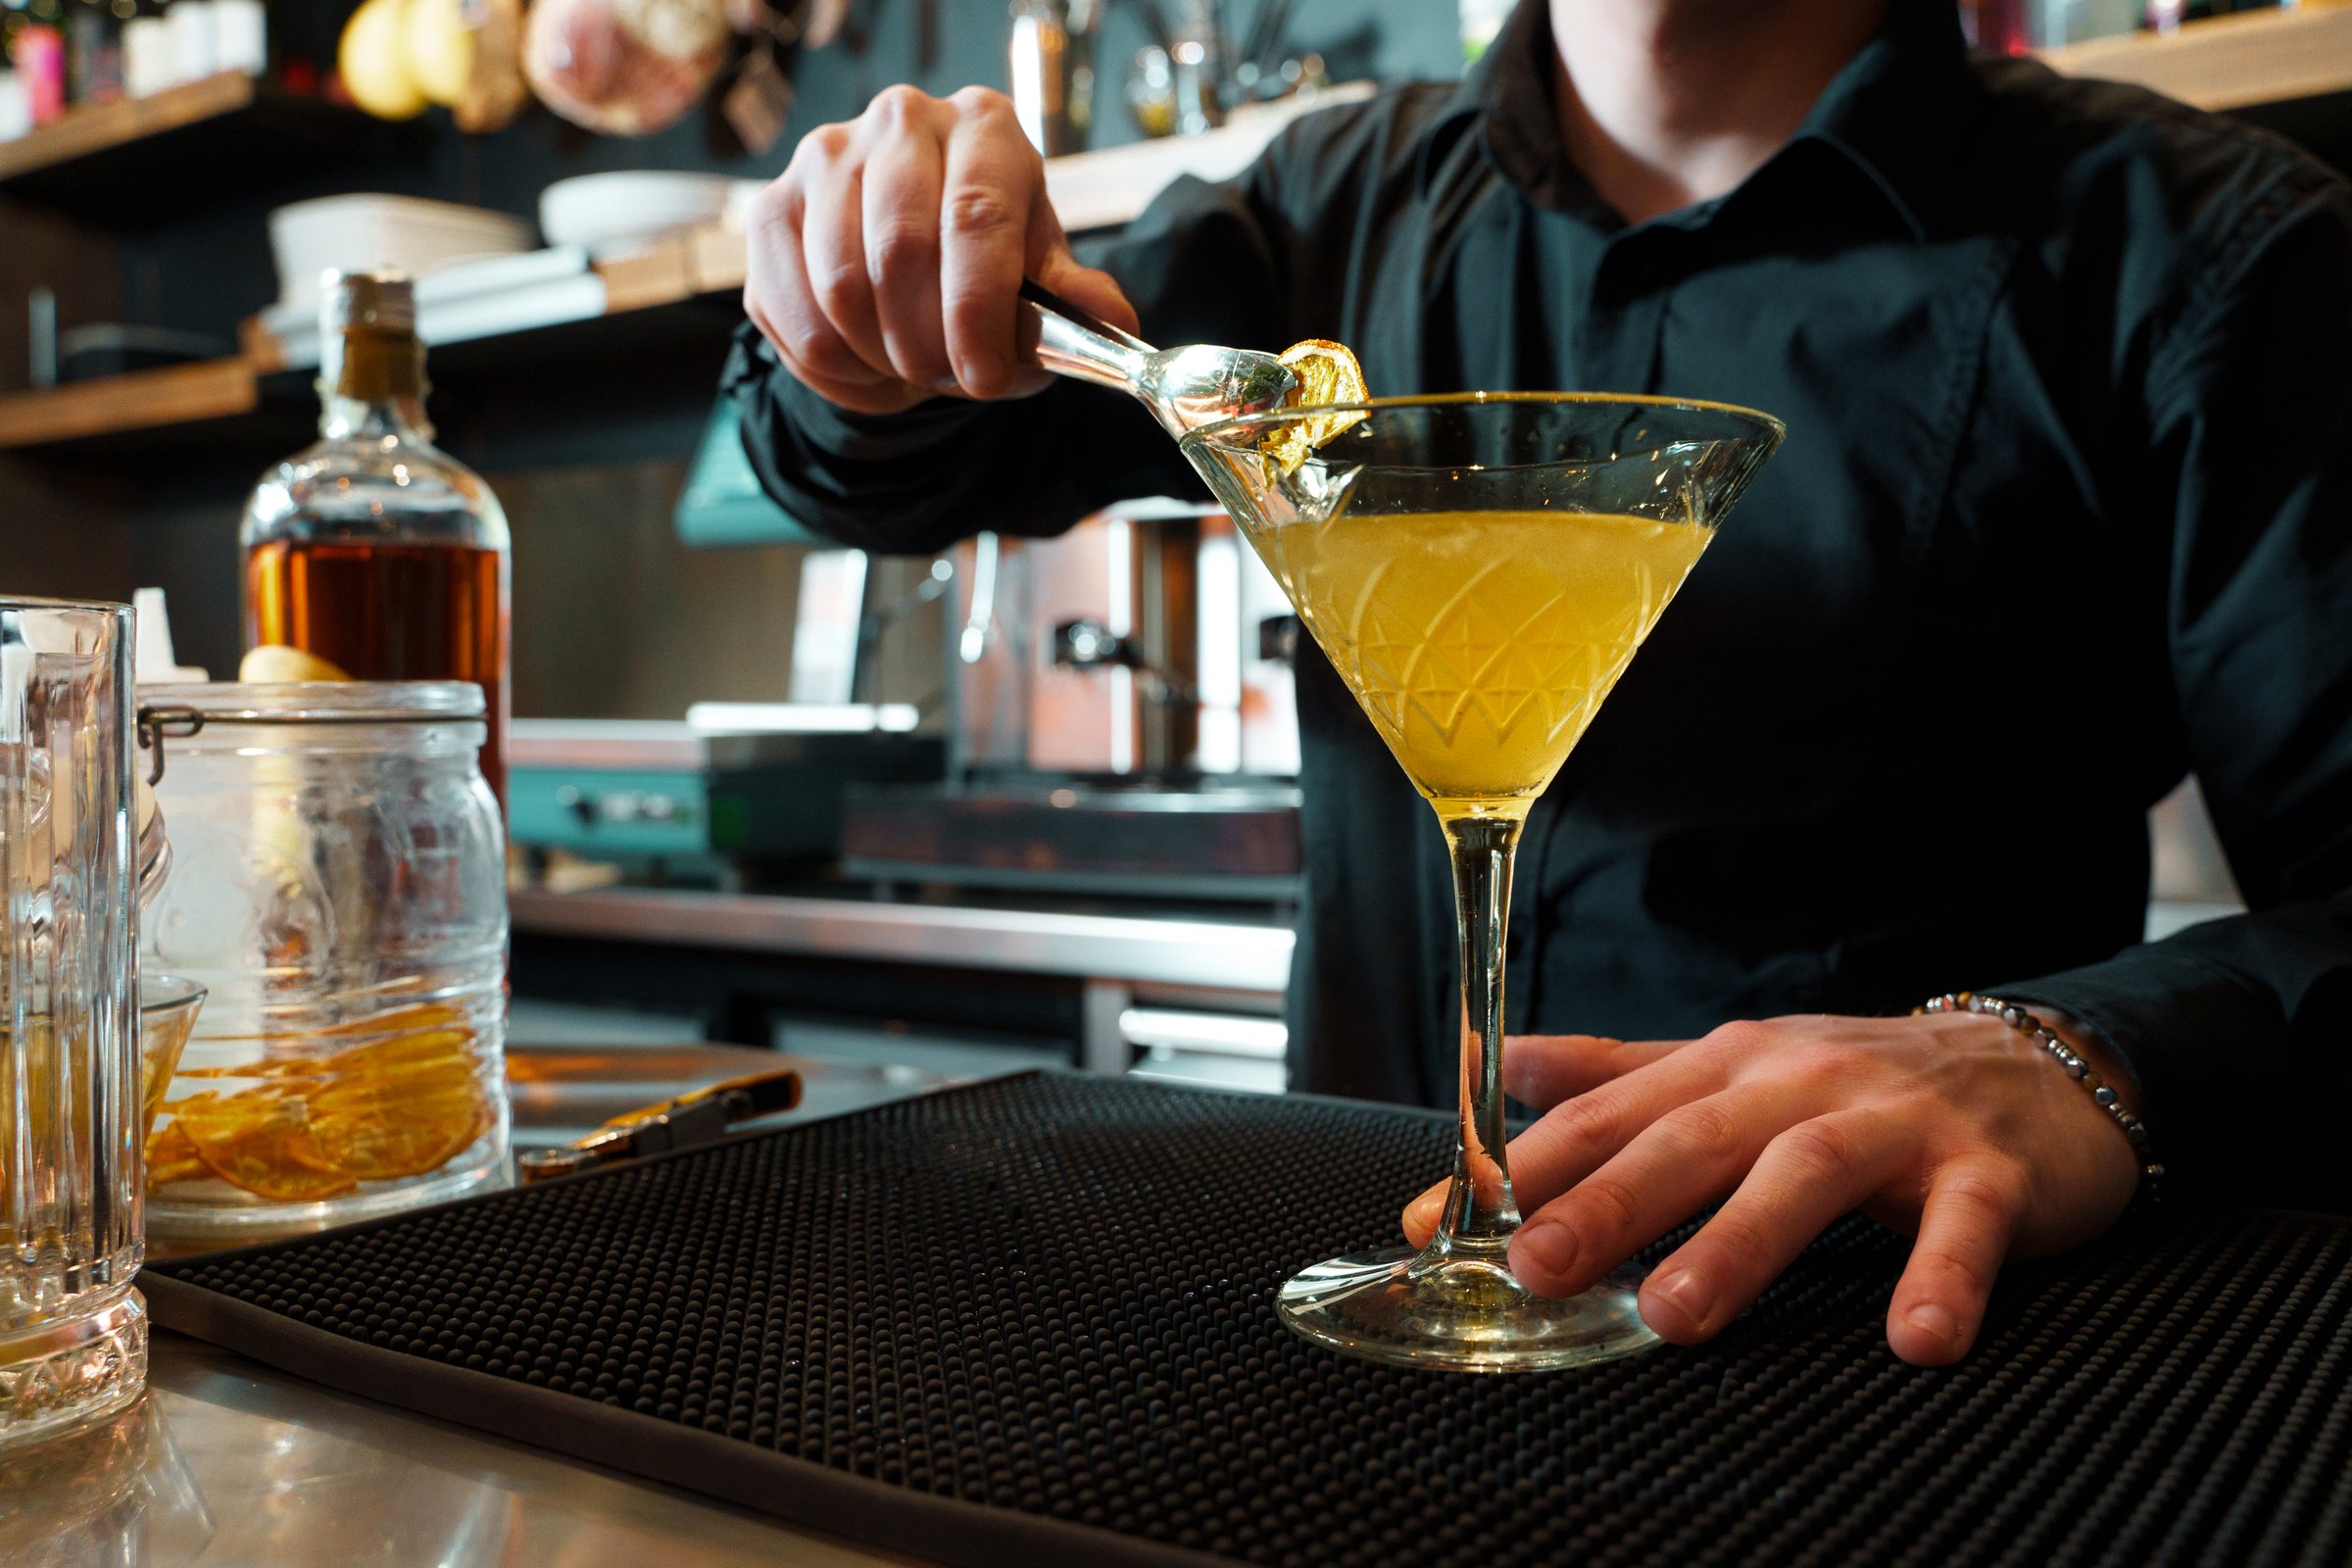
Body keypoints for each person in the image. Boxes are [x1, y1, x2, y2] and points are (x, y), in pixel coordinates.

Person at [725, 0, 2352, 1366]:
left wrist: (2077, 1050)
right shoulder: (1318, 209)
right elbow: (889, 459)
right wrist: (857, 310)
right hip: (1334, 1343)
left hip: (1892, 1360)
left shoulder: (2210, 253)